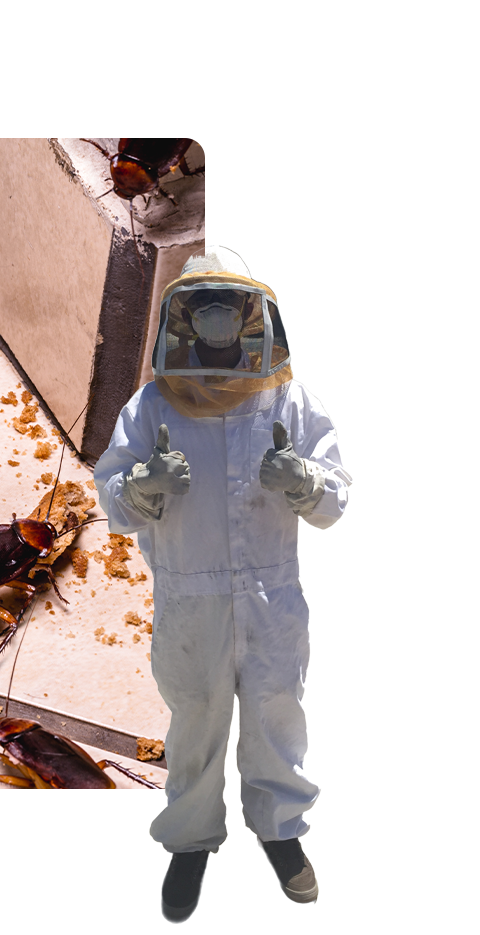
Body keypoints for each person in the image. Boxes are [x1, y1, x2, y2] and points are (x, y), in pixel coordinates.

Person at [94, 246, 348, 924]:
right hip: (189, 598)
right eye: (202, 306)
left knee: (276, 713)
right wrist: (141, 486)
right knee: (196, 724)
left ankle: (280, 829)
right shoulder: (153, 404)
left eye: (227, 306)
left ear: (249, 316)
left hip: (272, 596)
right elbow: (112, 501)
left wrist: (304, 481)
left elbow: (336, 498)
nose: (215, 318)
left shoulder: (289, 396)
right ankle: (192, 839)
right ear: (181, 318)